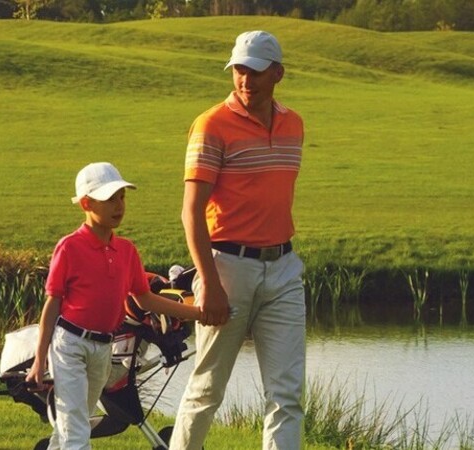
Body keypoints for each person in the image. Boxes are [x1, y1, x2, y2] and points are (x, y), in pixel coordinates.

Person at [172, 30, 307, 450]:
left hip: (284, 267)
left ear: (278, 74)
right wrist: (209, 283)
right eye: (239, 71)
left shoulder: (293, 124)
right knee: (208, 388)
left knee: (286, 395)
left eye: (255, 72)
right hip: (228, 267)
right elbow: (191, 212)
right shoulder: (211, 124)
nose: (245, 81)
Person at [29, 162, 204, 450]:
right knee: (76, 433)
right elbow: (53, 305)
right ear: (86, 203)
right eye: (110, 199)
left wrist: (197, 314)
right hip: (70, 345)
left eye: (122, 197)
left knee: (76, 422)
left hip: (103, 350)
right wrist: (39, 360)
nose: (119, 205)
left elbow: (145, 299)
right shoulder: (69, 247)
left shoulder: (126, 251)